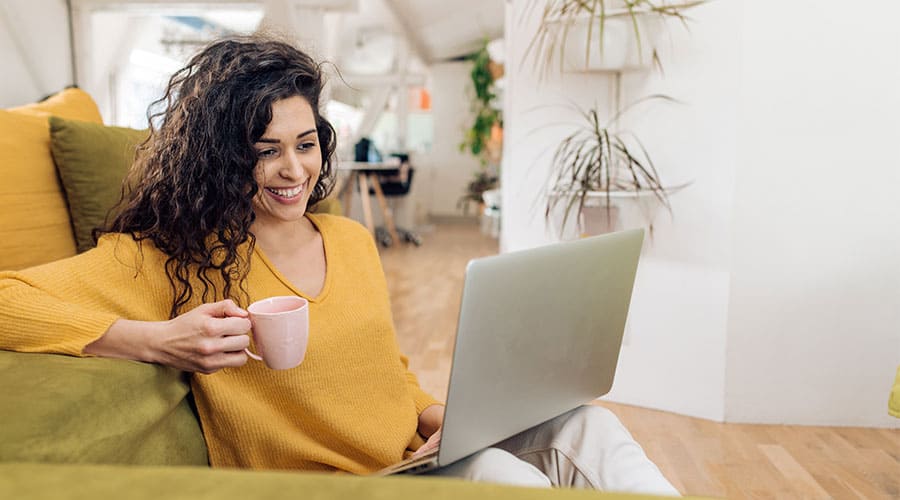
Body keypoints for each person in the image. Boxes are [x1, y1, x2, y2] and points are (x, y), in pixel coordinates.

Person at [0, 35, 678, 495]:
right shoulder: (172, 258)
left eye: (305, 143)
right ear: (221, 158)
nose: (292, 170)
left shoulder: (349, 239)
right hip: (353, 485)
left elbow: (388, 370)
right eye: (265, 151)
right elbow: (9, 298)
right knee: (510, 481)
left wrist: (436, 413)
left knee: (589, 423)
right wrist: (154, 339)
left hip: (416, 453)